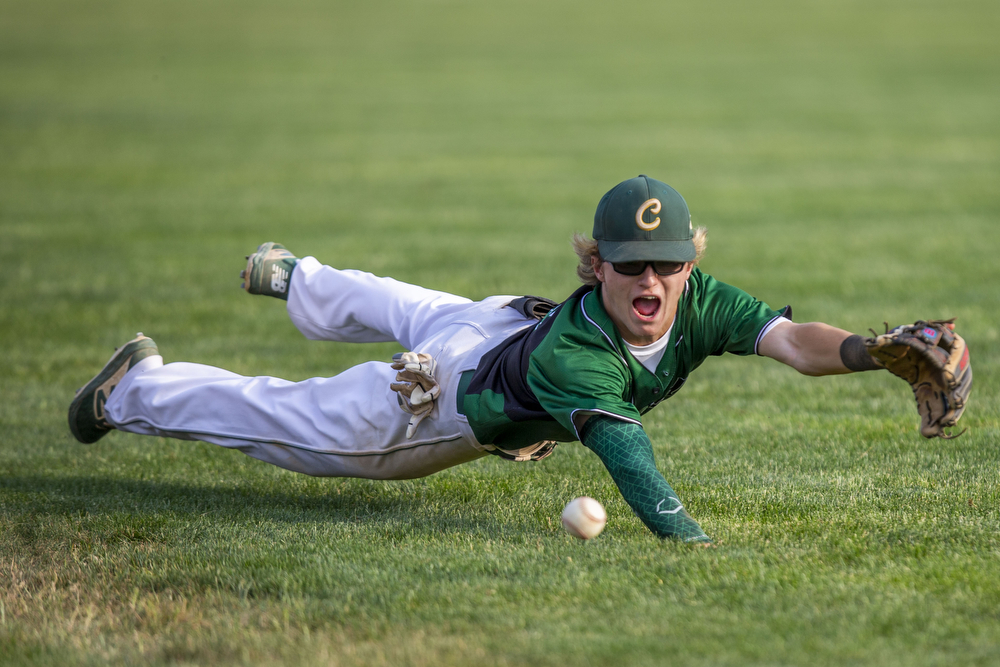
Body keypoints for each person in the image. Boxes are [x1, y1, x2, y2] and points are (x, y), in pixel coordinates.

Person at [66, 175, 920, 544]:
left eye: (665, 263)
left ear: (690, 264)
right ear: (597, 265)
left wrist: (875, 351)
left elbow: (794, 344)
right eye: (628, 262)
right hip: (445, 397)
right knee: (298, 424)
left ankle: (298, 278)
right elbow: (630, 460)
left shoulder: (703, 301)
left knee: (411, 301)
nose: (650, 279)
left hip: (501, 323)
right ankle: (135, 387)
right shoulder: (587, 356)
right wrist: (691, 540)